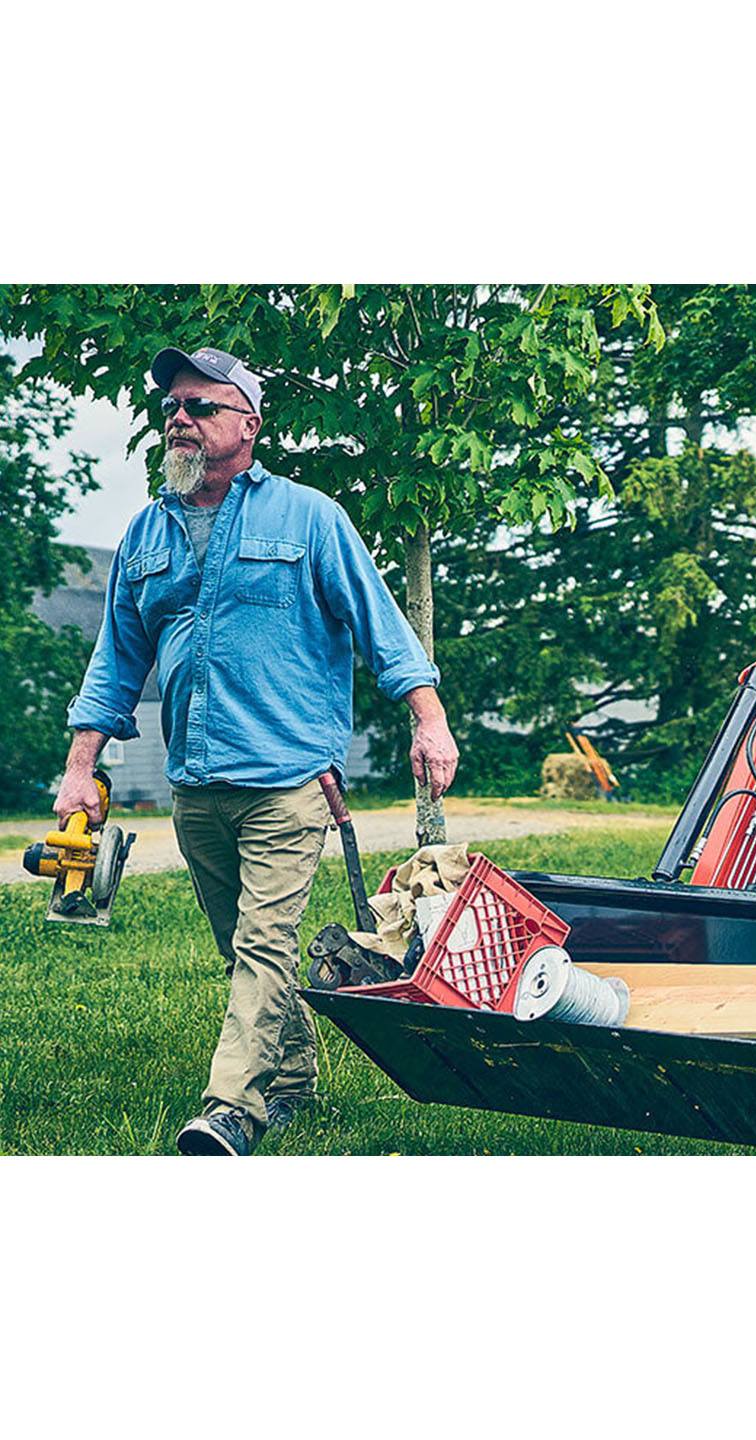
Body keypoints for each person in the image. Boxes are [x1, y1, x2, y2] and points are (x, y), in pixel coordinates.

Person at [56, 345, 460, 1156]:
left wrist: (430, 717)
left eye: (200, 406)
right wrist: (78, 766)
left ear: (249, 422)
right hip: (195, 781)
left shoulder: (309, 517)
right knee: (241, 944)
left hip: (288, 777)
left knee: (264, 942)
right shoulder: (146, 532)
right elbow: (116, 657)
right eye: (172, 407)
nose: (179, 419)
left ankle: (229, 1108)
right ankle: (295, 1077)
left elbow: (383, 627)